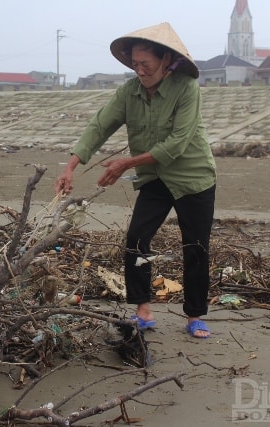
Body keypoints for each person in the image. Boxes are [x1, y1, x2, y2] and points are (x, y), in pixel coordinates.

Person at [54, 22, 216, 338]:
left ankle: (195, 315)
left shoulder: (186, 89)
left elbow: (178, 143)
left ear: (167, 61)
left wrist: (127, 162)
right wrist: (70, 166)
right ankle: (143, 309)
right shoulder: (129, 92)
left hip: (194, 178)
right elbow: (99, 127)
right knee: (137, 239)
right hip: (154, 177)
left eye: (147, 65)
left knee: (195, 246)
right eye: (135, 64)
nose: (140, 71)